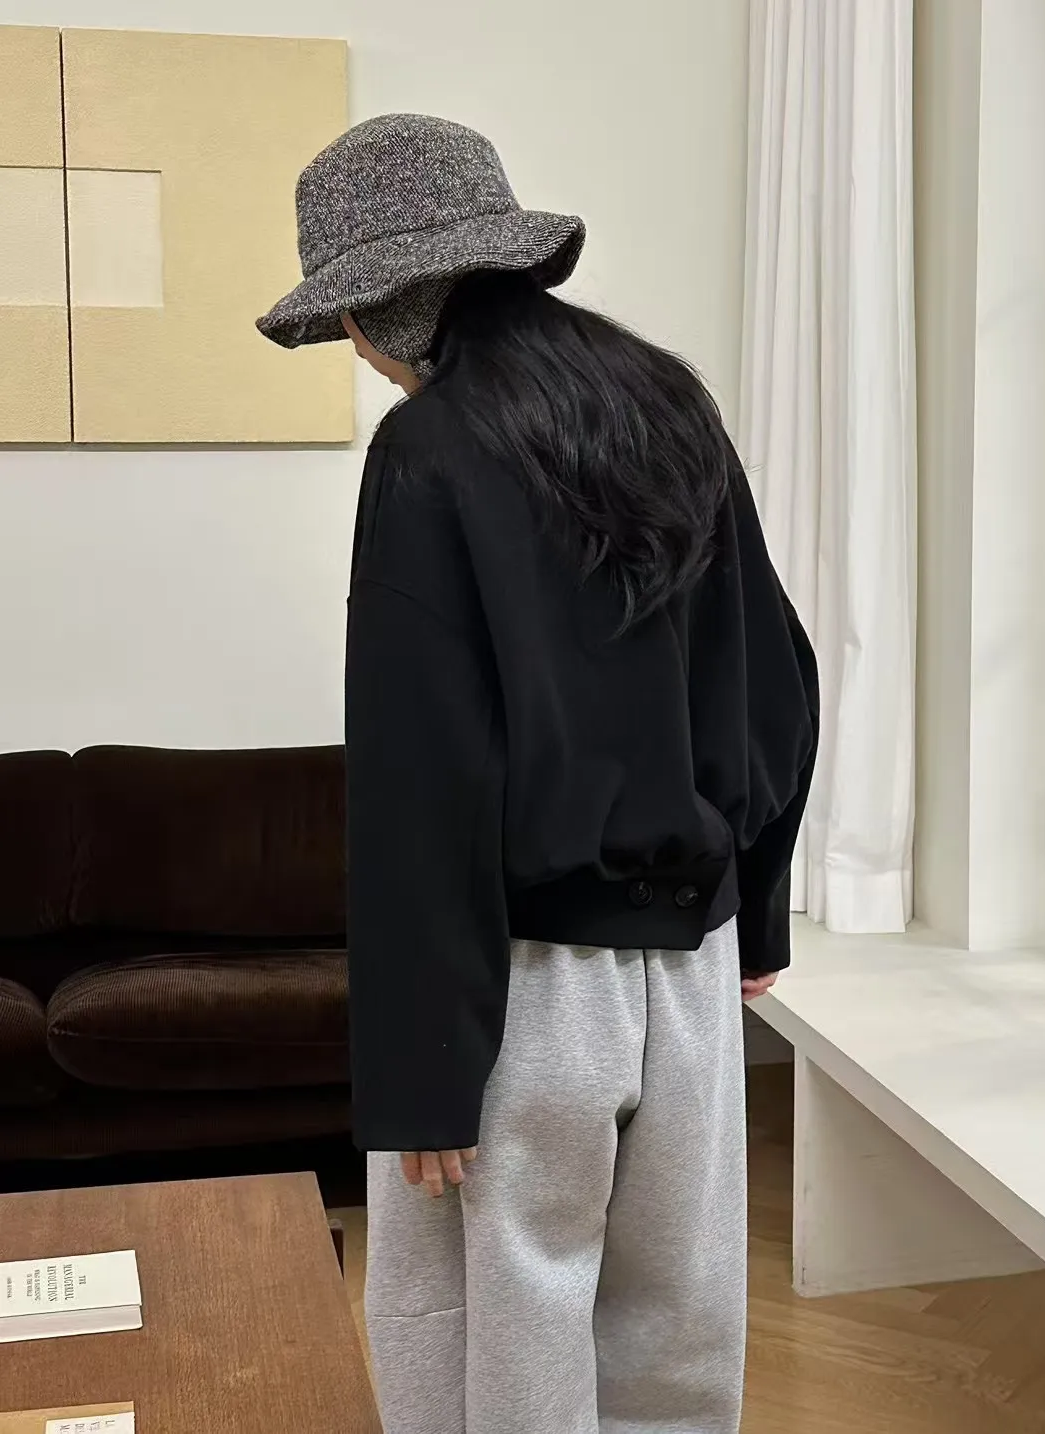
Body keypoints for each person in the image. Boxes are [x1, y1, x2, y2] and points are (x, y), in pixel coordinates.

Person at [258, 113, 818, 1434]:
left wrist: (420, 1067)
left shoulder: (430, 448)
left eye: (351, 319)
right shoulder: (668, 403)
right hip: (691, 974)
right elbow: (774, 675)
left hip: (524, 986)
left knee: (496, 1340)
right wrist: (759, 908)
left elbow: (423, 777)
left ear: (395, 296)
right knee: (676, 1331)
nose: (359, 352)